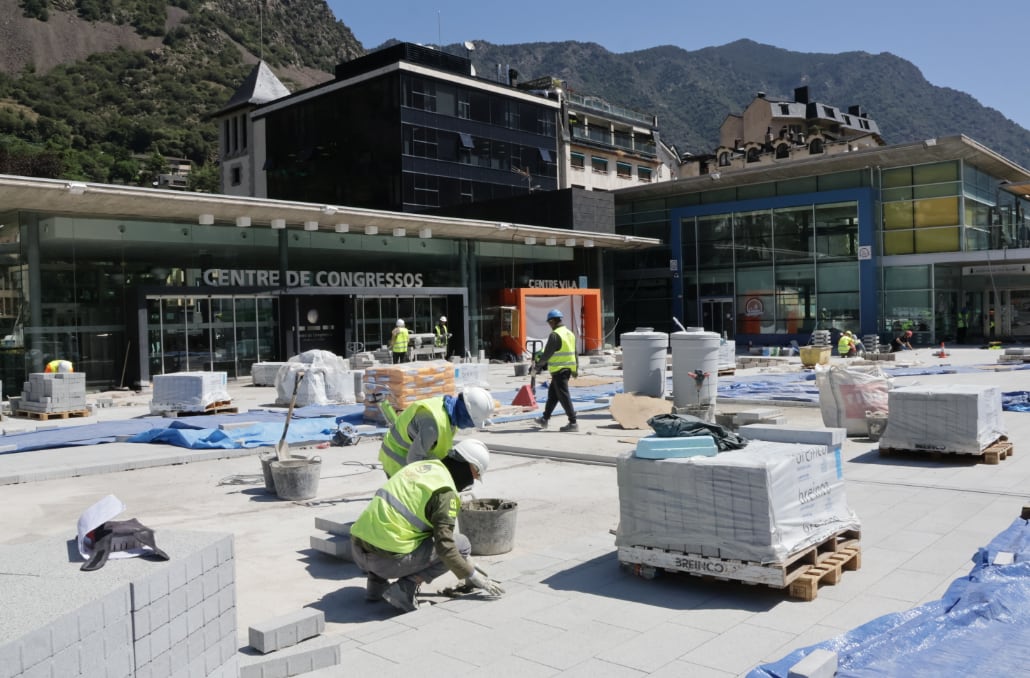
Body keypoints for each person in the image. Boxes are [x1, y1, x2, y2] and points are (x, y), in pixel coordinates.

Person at [350, 438, 505, 613]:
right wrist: (472, 575)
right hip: (385, 562)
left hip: (357, 548)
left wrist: (468, 565)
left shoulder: (424, 468)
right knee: (461, 545)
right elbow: (446, 547)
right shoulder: (444, 493)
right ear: (469, 466)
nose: (472, 481)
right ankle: (404, 590)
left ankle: (375, 587)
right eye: (475, 476)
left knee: (394, 531)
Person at [378, 386, 495, 478]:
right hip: (397, 459)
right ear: (465, 413)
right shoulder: (432, 424)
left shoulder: (450, 412)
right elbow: (413, 460)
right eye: (472, 422)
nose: (471, 426)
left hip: (412, 452)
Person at [533, 308, 578, 432]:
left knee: (563, 396)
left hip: (559, 370)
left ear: (552, 321)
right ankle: (545, 419)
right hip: (567, 369)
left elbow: (547, 354)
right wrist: (575, 369)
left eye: (549, 322)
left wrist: (537, 367)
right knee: (553, 395)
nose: (549, 325)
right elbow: (575, 353)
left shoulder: (555, 335)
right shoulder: (570, 333)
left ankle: (573, 422)